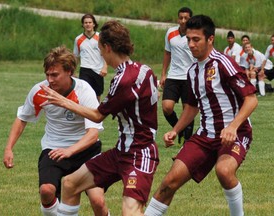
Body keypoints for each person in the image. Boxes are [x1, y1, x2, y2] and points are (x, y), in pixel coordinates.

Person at [40, 20, 159, 216]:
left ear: (107, 47)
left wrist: (63, 101)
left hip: (139, 153)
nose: (100, 54)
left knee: (131, 212)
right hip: (121, 151)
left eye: (100, 49)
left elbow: (97, 116)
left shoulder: (123, 79)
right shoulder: (143, 69)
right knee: (70, 184)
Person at [145, 15, 258, 216]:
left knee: (224, 171)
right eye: (188, 39)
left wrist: (232, 126)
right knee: (169, 182)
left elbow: (251, 100)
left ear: (210, 39)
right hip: (205, 136)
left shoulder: (224, 63)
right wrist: (176, 130)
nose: (191, 44)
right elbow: (192, 107)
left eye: (196, 39)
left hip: (235, 132)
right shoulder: (192, 71)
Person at [3, 46, 108, 216]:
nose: (50, 80)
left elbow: (93, 134)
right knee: (46, 191)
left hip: (86, 151)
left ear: (69, 72)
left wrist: (69, 151)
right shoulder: (40, 91)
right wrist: (8, 148)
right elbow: (22, 118)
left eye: (55, 75)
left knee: (98, 200)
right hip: (53, 149)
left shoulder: (84, 91)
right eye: (47, 75)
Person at [160, 7, 195, 144]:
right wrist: (163, 73)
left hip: (190, 77)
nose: (183, 21)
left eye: (186, 18)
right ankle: (179, 130)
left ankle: (187, 141)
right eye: (181, 18)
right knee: (167, 107)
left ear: (190, 19)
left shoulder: (194, 34)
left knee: (188, 110)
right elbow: (167, 53)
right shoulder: (170, 32)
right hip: (173, 75)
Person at [73, 13, 107, 101]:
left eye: (90, 22)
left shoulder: (100, 37)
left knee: (97, 96)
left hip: (98, 70)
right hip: (85, 69)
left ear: (94, 24)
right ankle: (85, 114)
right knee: (85, 94)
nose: (88, 24)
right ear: (83, 25)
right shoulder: (78, 39)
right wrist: (73, 71)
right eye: (85, 23)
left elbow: (106, 53)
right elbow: (75, 56)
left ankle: (95, 113)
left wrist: (105, 67)